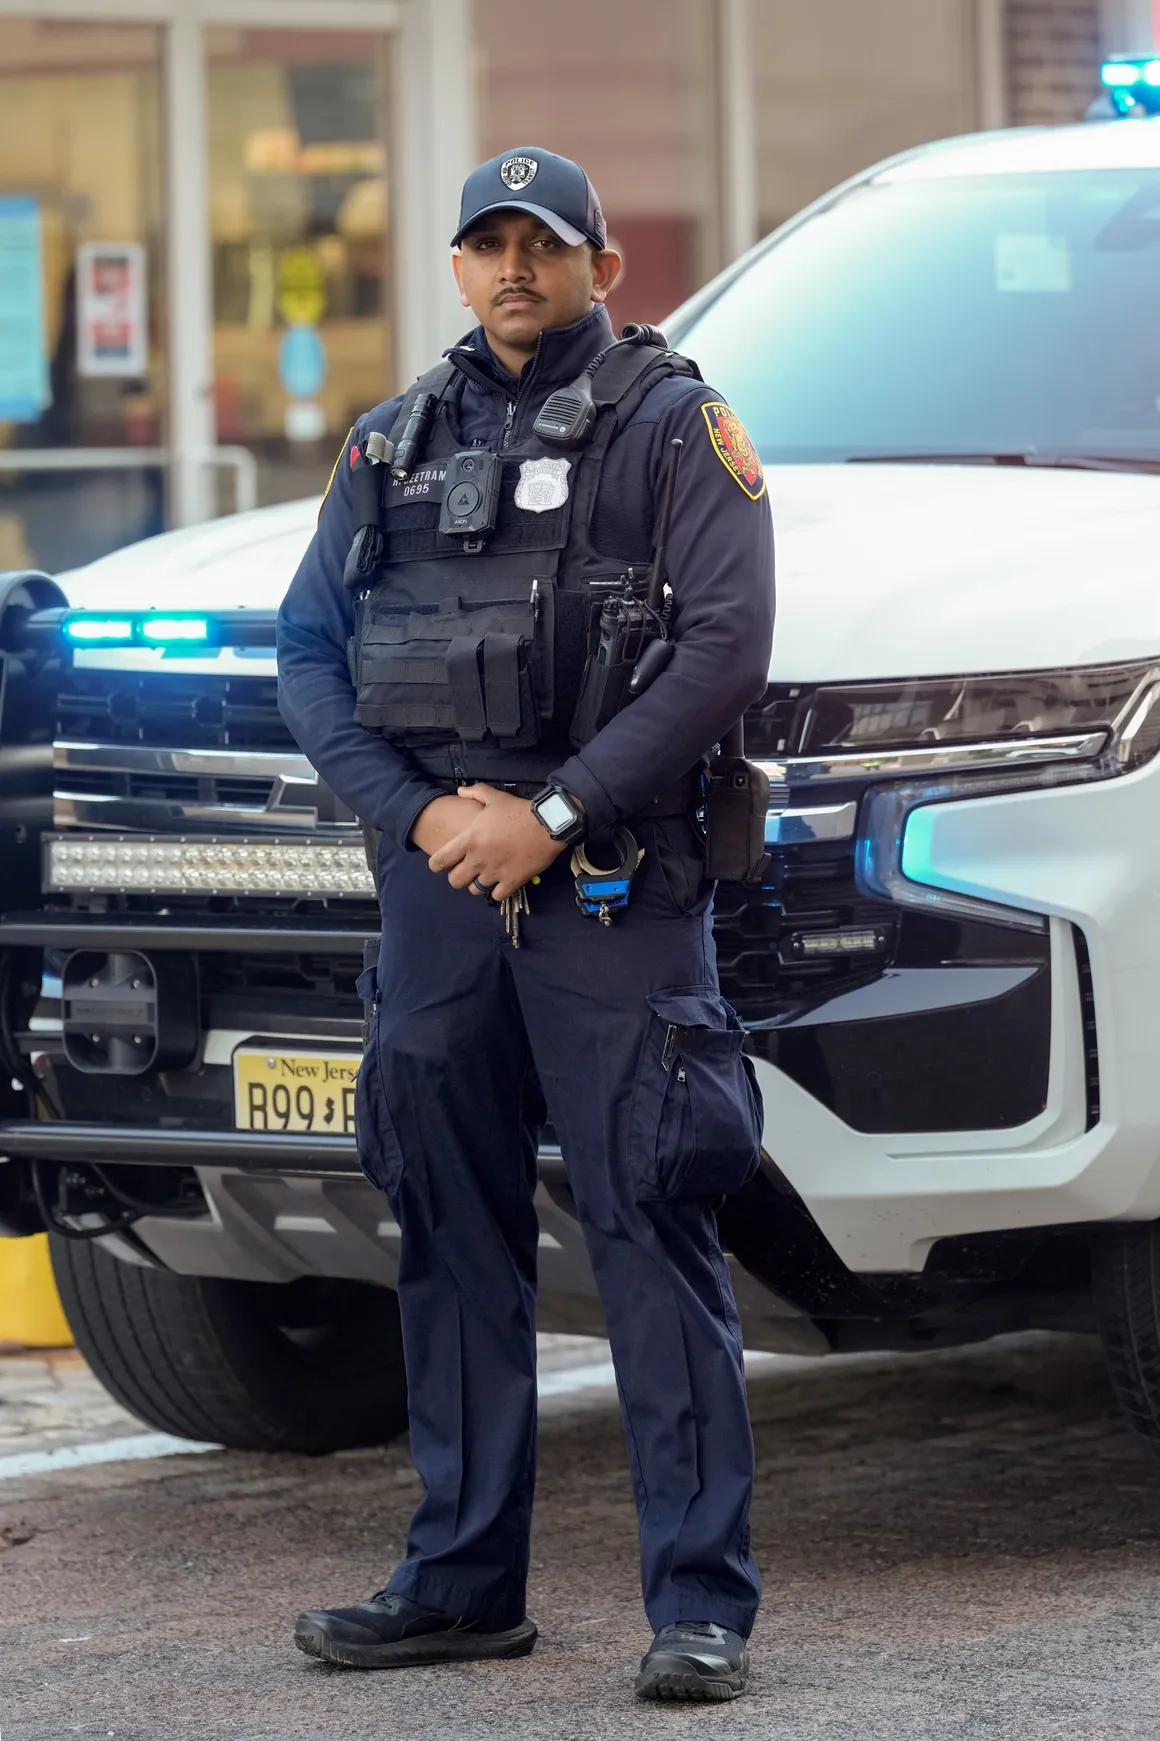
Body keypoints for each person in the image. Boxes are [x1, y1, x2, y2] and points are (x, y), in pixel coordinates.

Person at [277, 145, 775, 1702]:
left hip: (610, 878)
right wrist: (426, 817)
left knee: (648, 1217)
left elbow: (726, 645)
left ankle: (699, 1604)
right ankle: (458, 1580)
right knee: (448, 1224)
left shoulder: (673, 425)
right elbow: (307, 649)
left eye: (543, 247)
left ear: (600, 267)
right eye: (487, 246)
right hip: (442, 884)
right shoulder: (392, 442)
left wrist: (546, 815)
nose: (514, 271)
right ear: (455, 267)